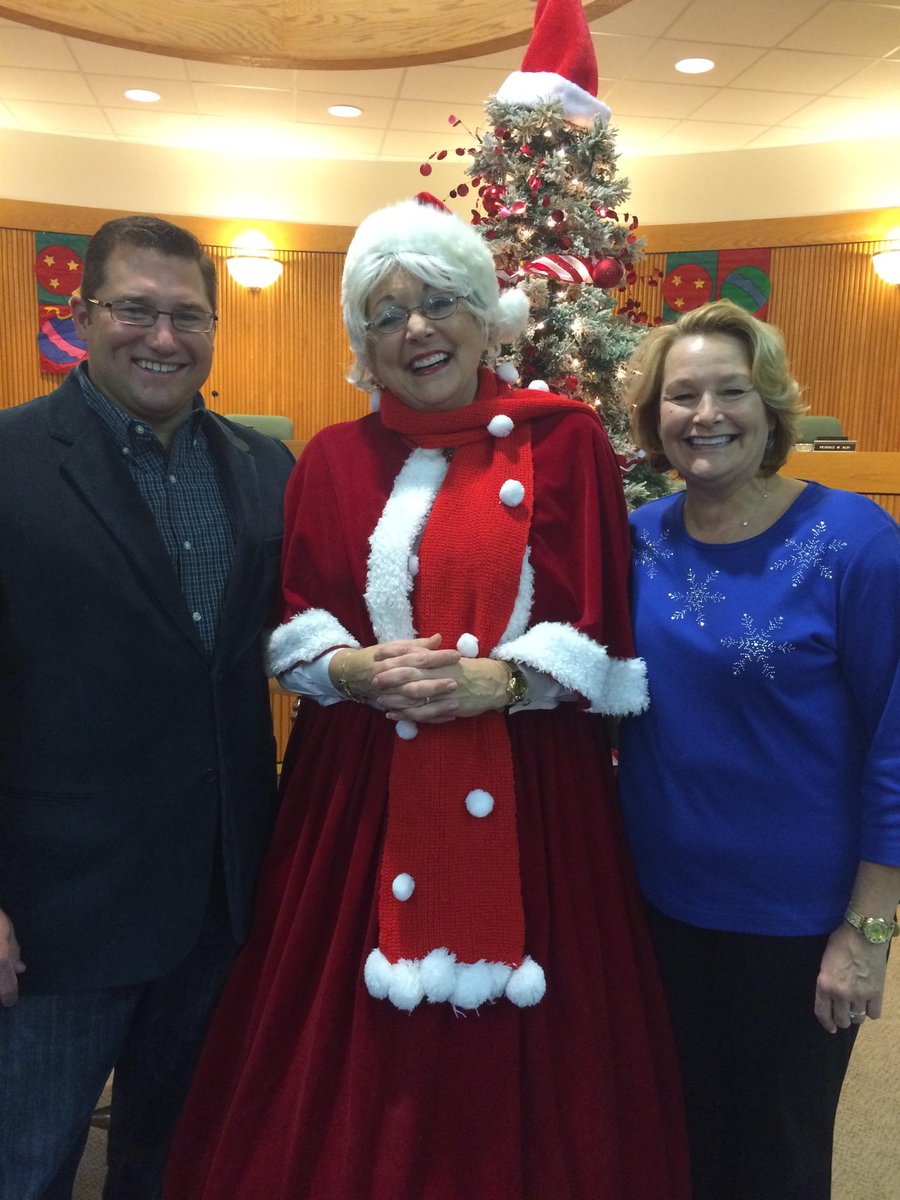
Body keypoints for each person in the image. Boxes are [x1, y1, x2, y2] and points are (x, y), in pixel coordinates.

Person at [163, 196, 690, 1200]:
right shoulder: (331, 457)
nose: (416, 329)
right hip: (363, 787)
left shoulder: (565, 440)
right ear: (364, 343)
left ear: (485, 315)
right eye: (387, 313)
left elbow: (597, 620)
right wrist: (350, 670)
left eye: (439, 302)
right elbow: (300, 618)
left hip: (532, 784)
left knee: (548, 1059)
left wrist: (507, 678)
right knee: (334, 1050)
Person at [0, 215, 295, 1200]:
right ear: (82, 314)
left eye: (187, 316)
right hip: (56, 918)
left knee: (177, 1171)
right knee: (24, 1168)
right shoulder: (10, 460)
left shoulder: (266, 469)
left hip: (220, 906)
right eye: (135, 309)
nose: (163, 337)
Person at [617, 299, 900, 1200]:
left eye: (731, 391)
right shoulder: (638, 540)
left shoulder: (857, 543)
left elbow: (896, 747)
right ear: (654, 418)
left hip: (796, 923)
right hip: (655, 907)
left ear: (771, 405)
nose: (706, 415)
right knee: (680, 1145)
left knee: (777, 1159)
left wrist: (870, 930)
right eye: (682, 395)